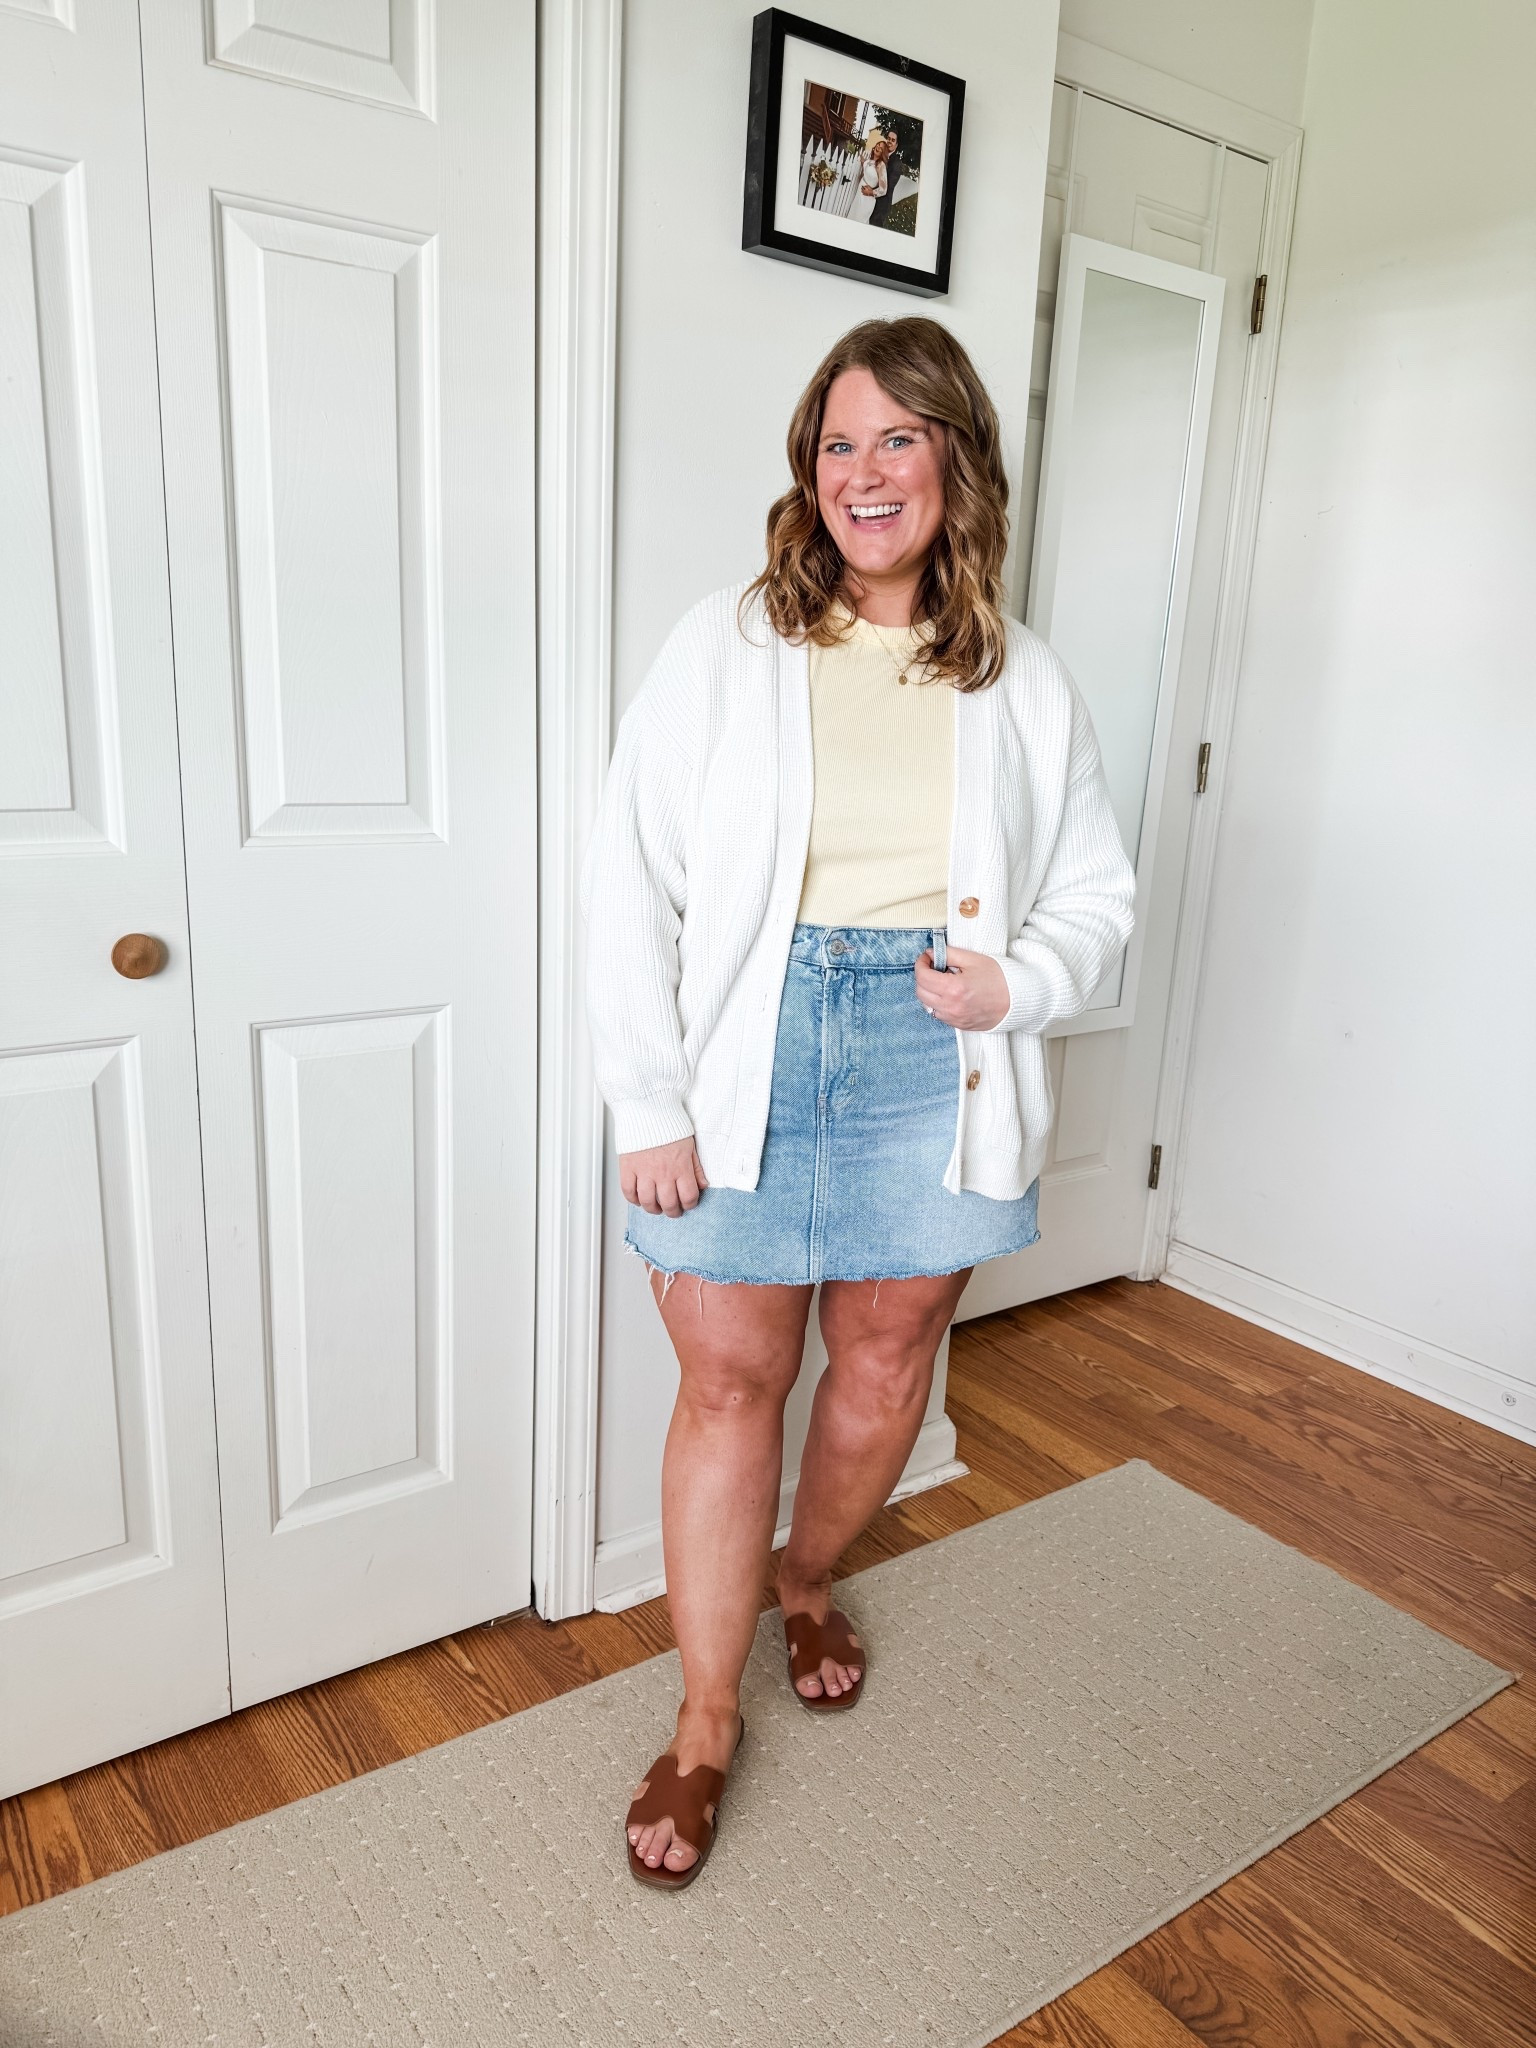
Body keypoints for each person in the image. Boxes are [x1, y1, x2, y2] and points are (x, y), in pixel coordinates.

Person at [582, 316, 1137, 1889]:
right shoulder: (728, 643)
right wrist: (650, 1102)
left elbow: (1097, 892)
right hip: (745, 1054)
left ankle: (806, 1579)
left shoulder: (1025, 679)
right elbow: (627, 878)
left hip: (930, 1054)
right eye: (837, 442)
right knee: (732, 1385)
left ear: (956, 456)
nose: (863, 470)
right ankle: (703, 1722)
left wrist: (1015, 985)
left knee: (890, 1360)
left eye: (898, 436)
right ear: (806, 472)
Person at [868, 128, 906, 229]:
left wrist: (871, 191)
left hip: (881, 205)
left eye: (893, 140)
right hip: (869, 200)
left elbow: (889, 186)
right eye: (888, 138)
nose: (889, 141)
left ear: (896, 144)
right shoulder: (881, 154)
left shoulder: (897, 164)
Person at [849, 130, 887, 223]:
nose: (878, 147)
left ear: (883, 152)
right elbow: (867, 168)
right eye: (878, 145)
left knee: (858, 222)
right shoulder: (869, 160)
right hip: (859, 194)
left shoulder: (881, 165)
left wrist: (871, 192)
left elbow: (883, 189)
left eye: (881, 148)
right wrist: (862, 162)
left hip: (867, 198)